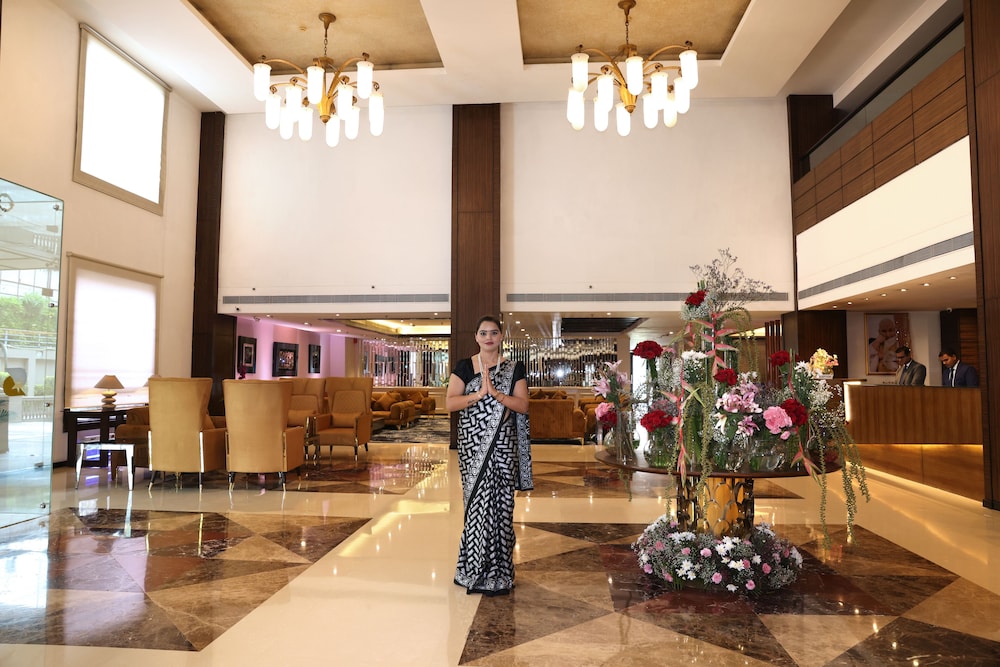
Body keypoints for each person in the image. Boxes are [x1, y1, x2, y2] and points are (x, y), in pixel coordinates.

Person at [446, 315, 531, 596]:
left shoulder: (514, 368)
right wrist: (479, 394)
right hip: (472, 448)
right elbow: (450, 403)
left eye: (494, 332)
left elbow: (522, 405)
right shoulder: (464, 366)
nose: (489, 338)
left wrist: (496, 393)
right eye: (483, 333)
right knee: (476, 508)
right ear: (476, 337)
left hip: (502, 447)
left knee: (502, 509)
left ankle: (500, 574)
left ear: (501, 336)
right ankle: (471, 570)